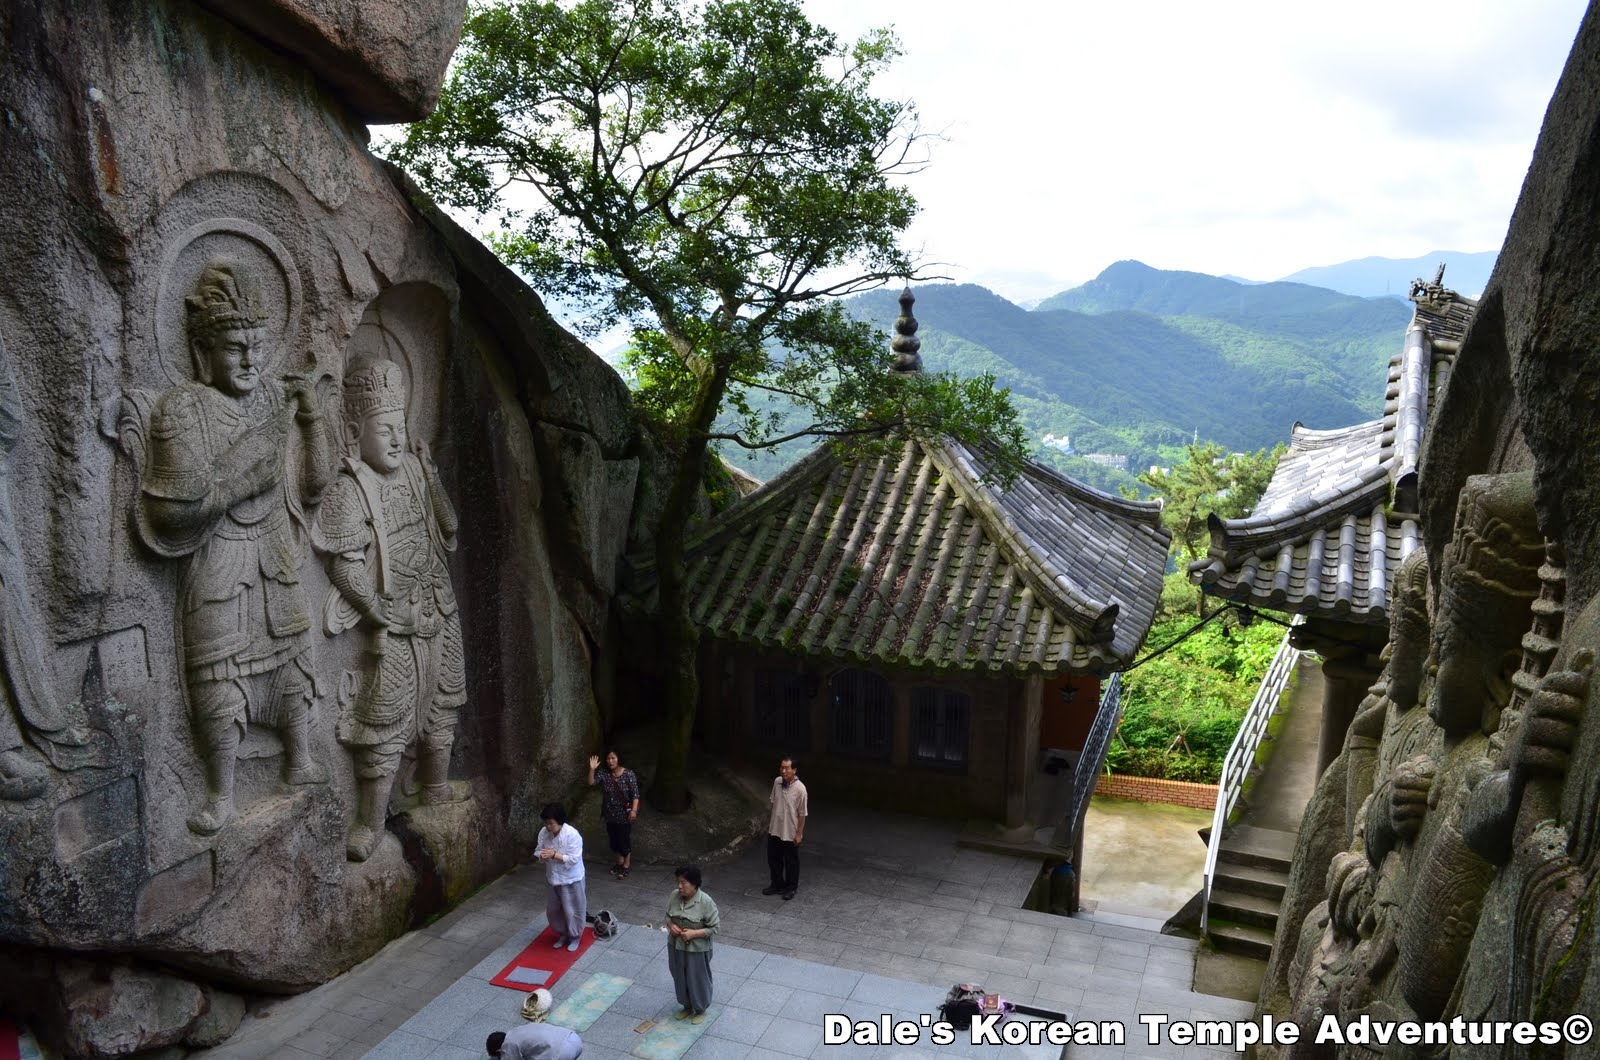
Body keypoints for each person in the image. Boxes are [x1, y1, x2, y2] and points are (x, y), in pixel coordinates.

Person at [139, 261, 333, 835]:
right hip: (218, 561)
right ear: (203, 352)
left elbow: (316, 486)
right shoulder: (183, 410)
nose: (250, 361)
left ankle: (300, 760)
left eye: (257, 347)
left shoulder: (276, 400)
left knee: (293, 661)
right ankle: (221, 792)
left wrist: (311, 414)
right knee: (217, 678)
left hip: (275, 557)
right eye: (233, 348)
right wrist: (234, 484)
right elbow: (168, 510)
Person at [316, 357, 467, 862]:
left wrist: (431, 471)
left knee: (444, 702)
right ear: (357, 432)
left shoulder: (416, 472)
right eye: (386, 430)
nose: (397, 439)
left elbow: (448, 528)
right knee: (383, 717)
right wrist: (379, 611)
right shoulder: (350, 486)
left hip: (438, 604)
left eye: (401, 427)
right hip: (393, 616)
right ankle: (370, 817)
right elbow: (344, 565)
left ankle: (435, 786)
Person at [666, 864, 719, 1022]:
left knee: (697, 978)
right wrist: (671, 925)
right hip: (676, 945)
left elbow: (714, 927)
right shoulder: (674, 896)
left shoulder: (706, 902)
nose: (679, 887)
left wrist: (694, 933)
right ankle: (686, 1005)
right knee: (679, 976)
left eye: (683, 883)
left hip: (697, 949)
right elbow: (667, 916)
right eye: (678, 882)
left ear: (694, 884)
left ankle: (700, 1008)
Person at [537, 802, 586, 950]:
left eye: (551, 823)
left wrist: (554, 855)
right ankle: (562, 933)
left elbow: (573, 858)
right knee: (554, 909)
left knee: (573, 908)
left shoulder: (572, 835)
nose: (548, 827)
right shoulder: (544, 833)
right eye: (546, 823)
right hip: (553, 877)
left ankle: (575, 936)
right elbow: (538, 850)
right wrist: (543, 856)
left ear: (559, 821)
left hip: (571, 877)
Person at [486, 989, 583, 1060]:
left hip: (562, 1054)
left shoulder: (508, 1046)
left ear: (499, 1050)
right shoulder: (518, 1030)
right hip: (574, 1039)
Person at [586, 749, 640, 878]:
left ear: (618, 759)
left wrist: (634, 810)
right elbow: (591, 783)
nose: (610, 761)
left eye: (613, 758)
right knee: (614, 840)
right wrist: (592, 769)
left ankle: (626, 865)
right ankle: (619, 863)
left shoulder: (628, 774)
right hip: (609, 814)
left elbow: (635, 795)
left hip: (624, 814)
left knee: (624, 840)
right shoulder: (604, 774)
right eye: (608, 758)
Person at [763, 755, 807, 900]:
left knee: (791, 861)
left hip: (790, 831)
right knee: (773, 858)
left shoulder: (801, 789)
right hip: (775, 829)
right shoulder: (777, 782)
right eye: (782, 767)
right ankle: (777, 884)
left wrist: (799, 833)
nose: (783, 771)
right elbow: (773, 802)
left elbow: (802, 814)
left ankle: (791, 887)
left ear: (794, 770)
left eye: (787, 768)